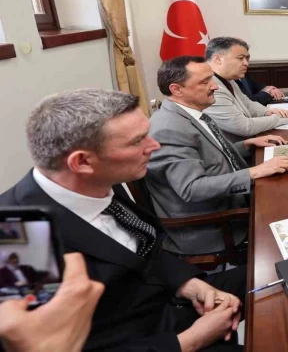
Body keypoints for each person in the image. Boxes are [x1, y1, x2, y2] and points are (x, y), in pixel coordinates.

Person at [0, 88, 247, 351]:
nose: (154, 146)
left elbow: (145, 250)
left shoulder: (99, 180)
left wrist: (189, 283)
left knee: (274, 275)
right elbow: (60, 345)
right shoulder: (18, 238)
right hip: (152, 341)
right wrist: (191, 340)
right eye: (138, 141)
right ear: (82, 162)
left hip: (171, 299)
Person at [147, 56, 288, 255]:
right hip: (216, 223)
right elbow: (192, 188)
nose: (215, 86)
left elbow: (208, 156)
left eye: (212, 79)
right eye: (205, 81)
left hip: (230, 201)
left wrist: (246, 144)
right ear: (177, 89)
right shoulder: (169, 129)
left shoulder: (190, 112)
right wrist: (254, 172)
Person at [0, 253, 104, 352]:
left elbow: (38, 278)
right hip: (14, 293)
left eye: (16, 258)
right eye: (12, 259)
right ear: (8, 261)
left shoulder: (26, 268)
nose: (15, 261)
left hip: (32, 291)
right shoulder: (2, 272)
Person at [204, 37, 288, 142]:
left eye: (246, 59)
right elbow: (244, 127)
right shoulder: (210, 87)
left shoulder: (228, 80)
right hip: (235, 148)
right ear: (218, 59)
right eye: (240, 58)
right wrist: (285, 117)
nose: (246, 63)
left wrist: (267, 112)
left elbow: (247, 104)